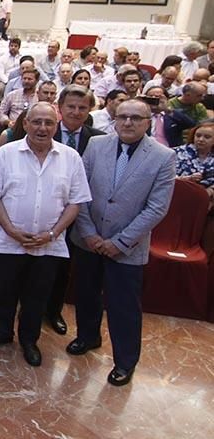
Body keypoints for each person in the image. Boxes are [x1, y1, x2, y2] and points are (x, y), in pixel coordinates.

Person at [69, 99, 176, 386]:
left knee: (123, 306)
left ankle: (125, 361)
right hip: (88, 240)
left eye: (136, 118)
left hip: (127, 247)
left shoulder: (163, 157)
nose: (128, 122)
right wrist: (89, 233)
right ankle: (87, 337)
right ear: (114, 119)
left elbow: (156, 208)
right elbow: (80, 190)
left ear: (148, 122)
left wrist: (120, 241)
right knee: (86, 294)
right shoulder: (97, 145)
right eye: (123, 117)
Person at [0, 102, 91, 367]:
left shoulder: (70, 158)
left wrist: (52, 233)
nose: (42, 128)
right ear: (25, 124)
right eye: (36, 122)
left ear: (56, 126)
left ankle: (29, 339)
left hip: (49, 245)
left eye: (48, 123)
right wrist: (10, 229)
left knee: (37, 295)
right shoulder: (6, 153)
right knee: (4, 291)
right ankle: (2, 331)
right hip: (8, 241)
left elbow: (76, 202)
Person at [44, 85, 106, 336]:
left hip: (81, 217)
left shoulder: (99, 140)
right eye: (71, 106)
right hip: (45, 211)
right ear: (60, 107)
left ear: (90, 110)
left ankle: (53, 311)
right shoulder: (44, 128)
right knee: (37, 266)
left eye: (82, 107)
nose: (76, 112)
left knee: (64, 268)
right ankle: (29, 308)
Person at [175, 121, 214, 208]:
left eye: (207, 137)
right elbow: (166, 177)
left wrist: (210, 191)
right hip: (178, 195)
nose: (201, 139)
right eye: (198, 136)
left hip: (206, 201)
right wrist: (188, 178)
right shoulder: (177, 152)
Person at [0, 38, 21, 121]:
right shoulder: (2, 58)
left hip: (19, 80)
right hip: (6, 79)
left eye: (15, 46)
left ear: (19, 47)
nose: (13, 48)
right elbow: (0, 73)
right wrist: (7, 82)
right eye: (11, 46)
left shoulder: (22, 58)